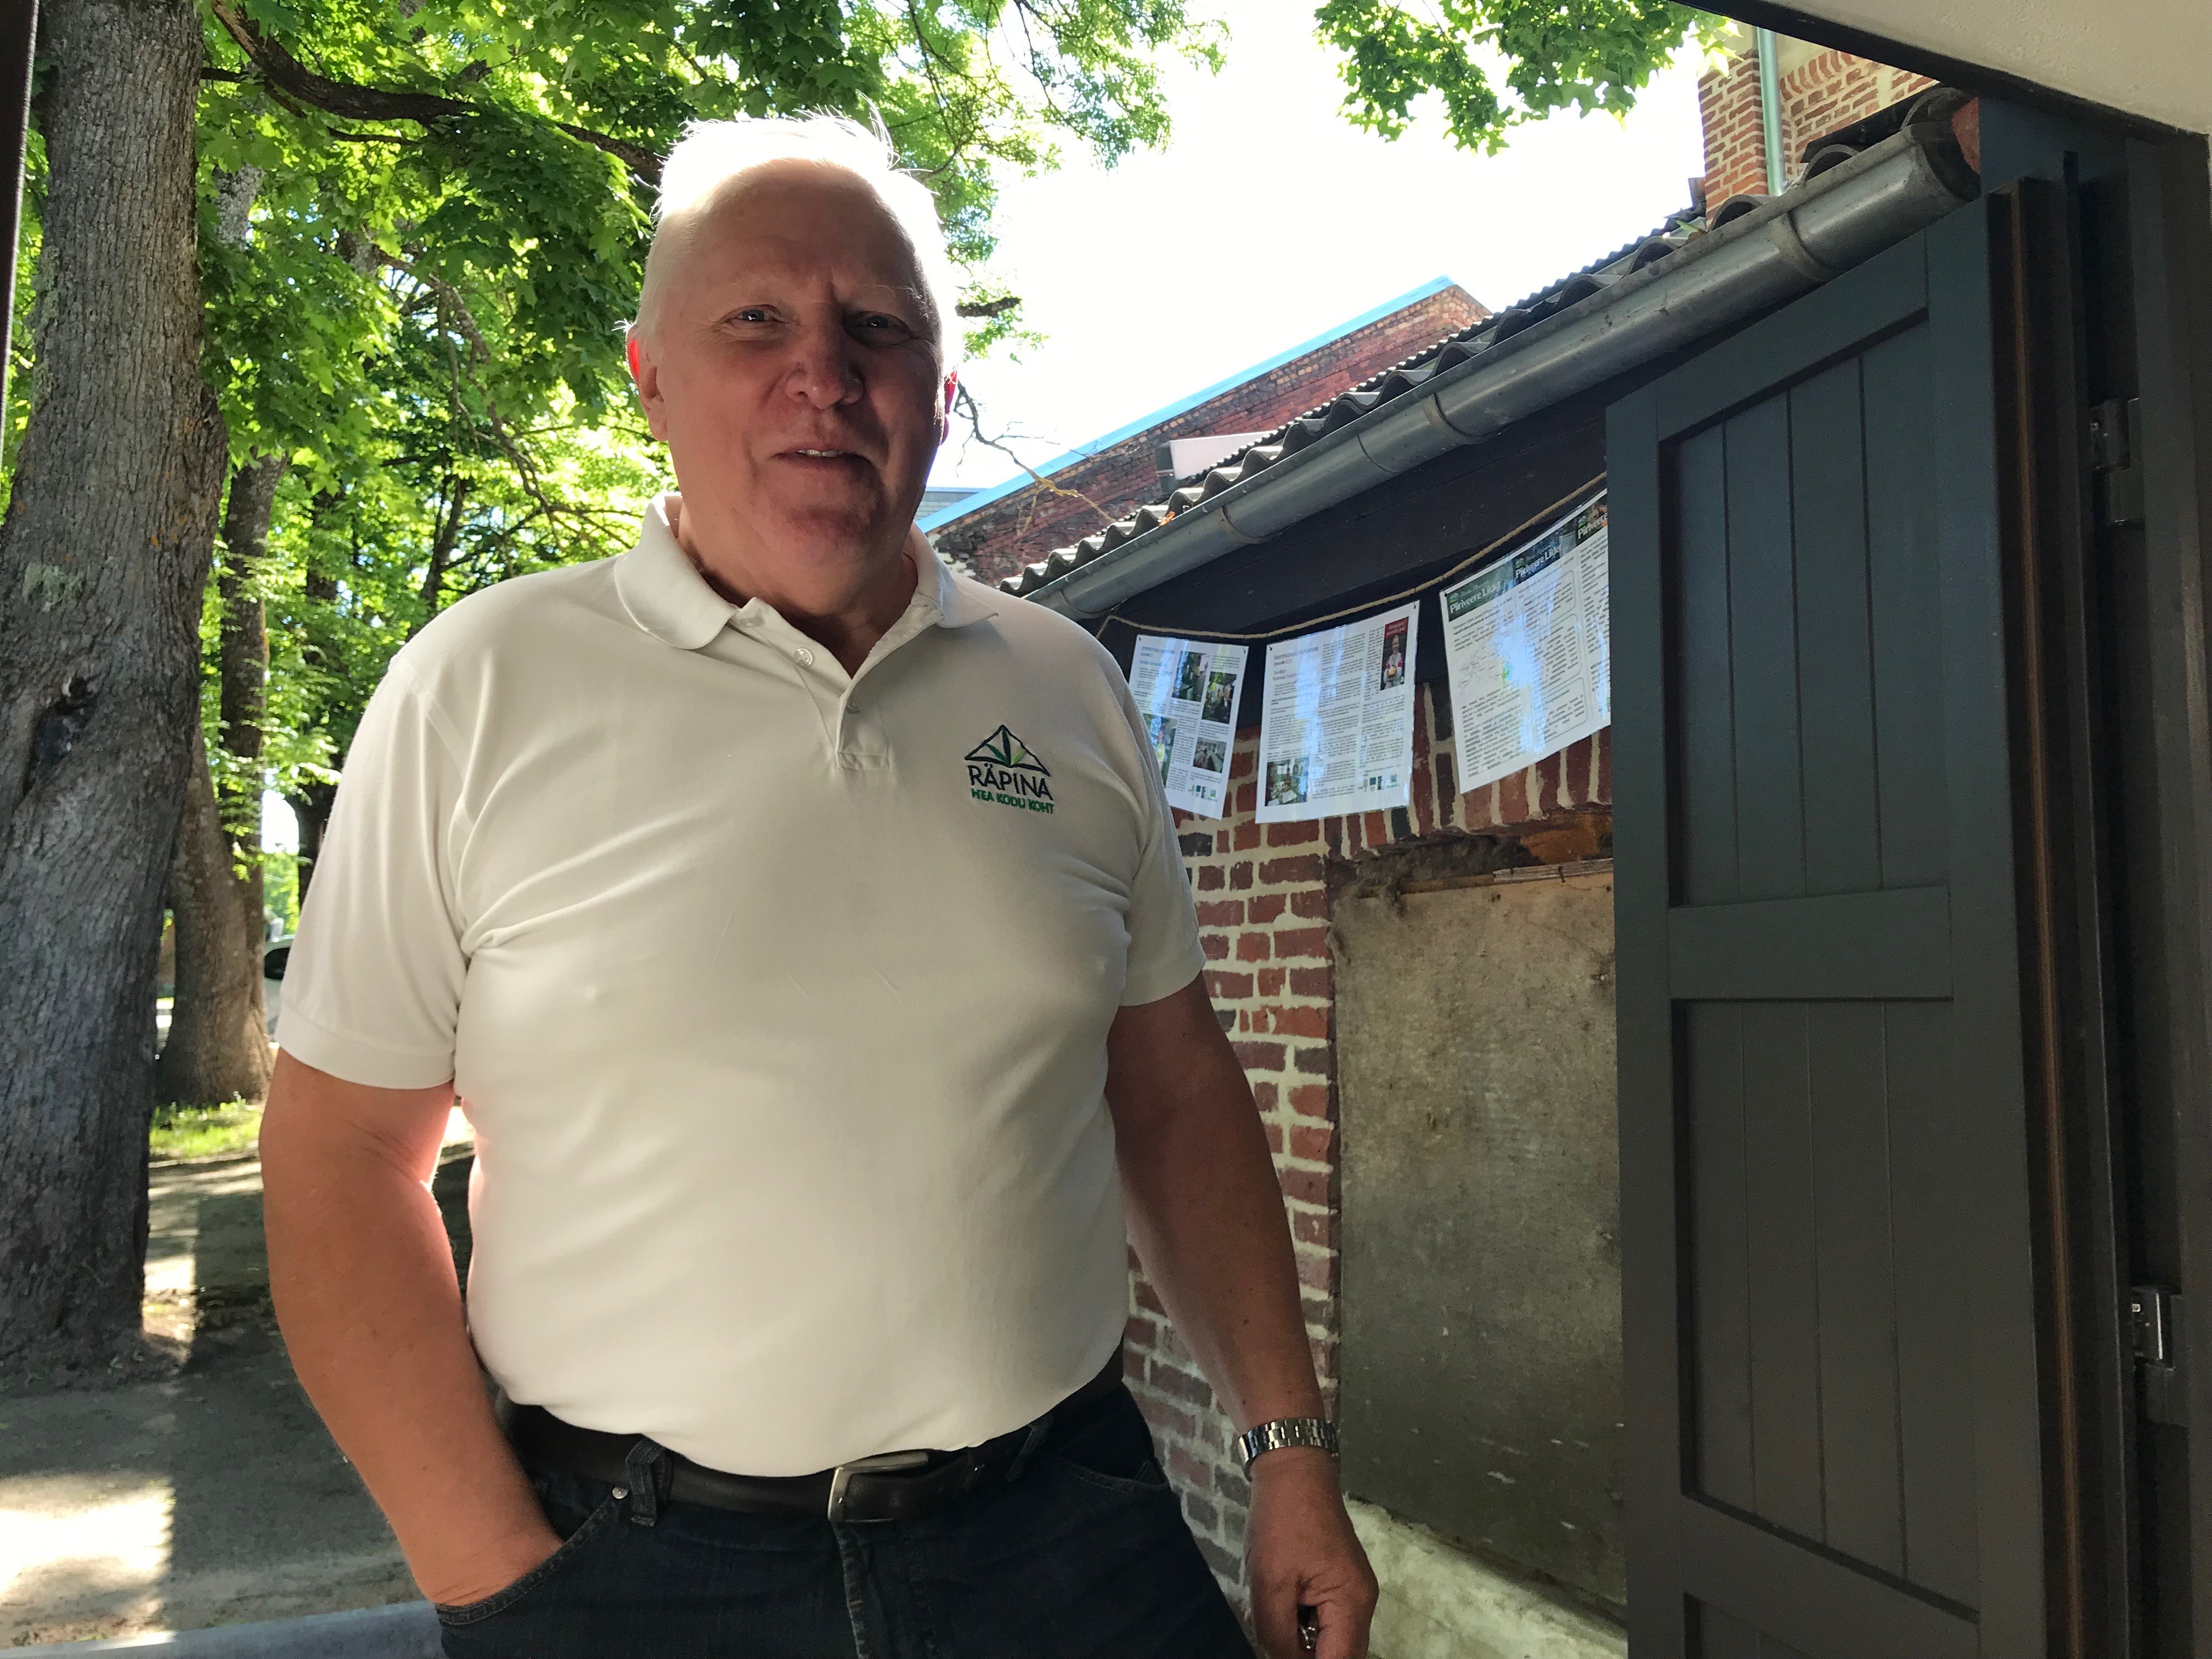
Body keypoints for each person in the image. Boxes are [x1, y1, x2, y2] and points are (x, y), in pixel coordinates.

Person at [258, 113, 1378, 1659]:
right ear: (651, 377)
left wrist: (1290, 1454)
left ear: (943, 388)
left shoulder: (1065, 688)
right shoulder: (482, 686)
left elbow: (1175, 1091)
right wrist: (497, 1579)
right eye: (756, 320)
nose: (825, 374)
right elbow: (339, 1154)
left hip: (1068, 1536)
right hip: (642, 1576)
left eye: (879, 327)